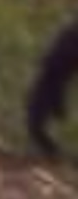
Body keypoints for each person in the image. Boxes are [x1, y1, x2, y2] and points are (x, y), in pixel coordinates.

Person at [29, 17, 78, 155]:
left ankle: (55, 154)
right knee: (36, 123)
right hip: (54, 73)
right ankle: (55, 154)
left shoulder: (71, 33)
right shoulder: (71, 32)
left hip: (55, 73)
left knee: (36, 122)